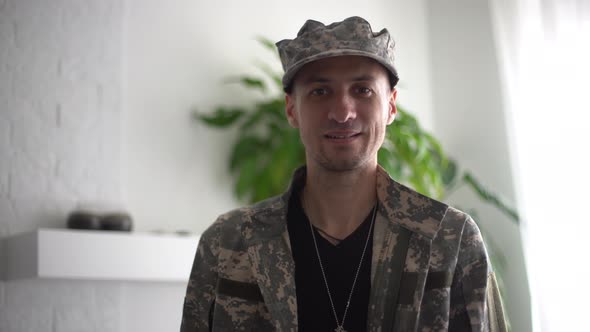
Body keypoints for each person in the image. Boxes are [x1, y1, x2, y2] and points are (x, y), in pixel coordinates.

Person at [180, 16, 506, 332]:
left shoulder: (449, 240)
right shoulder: (228, 243)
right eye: (320, 92)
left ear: (391, 106)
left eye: (362, 90)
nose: (342, 112)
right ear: (292, 109)